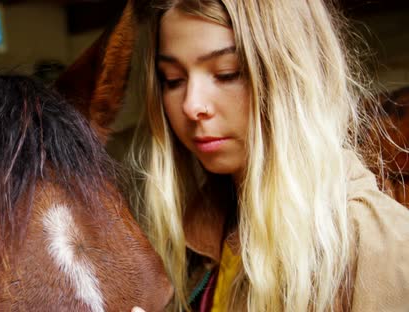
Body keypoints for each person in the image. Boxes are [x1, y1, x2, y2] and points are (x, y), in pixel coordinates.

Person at [127, 0, 409, 311]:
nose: (192, 105)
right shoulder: (203, 237)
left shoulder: (380, 246)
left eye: (227, 73)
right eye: (173, 80)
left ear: (292, 74)